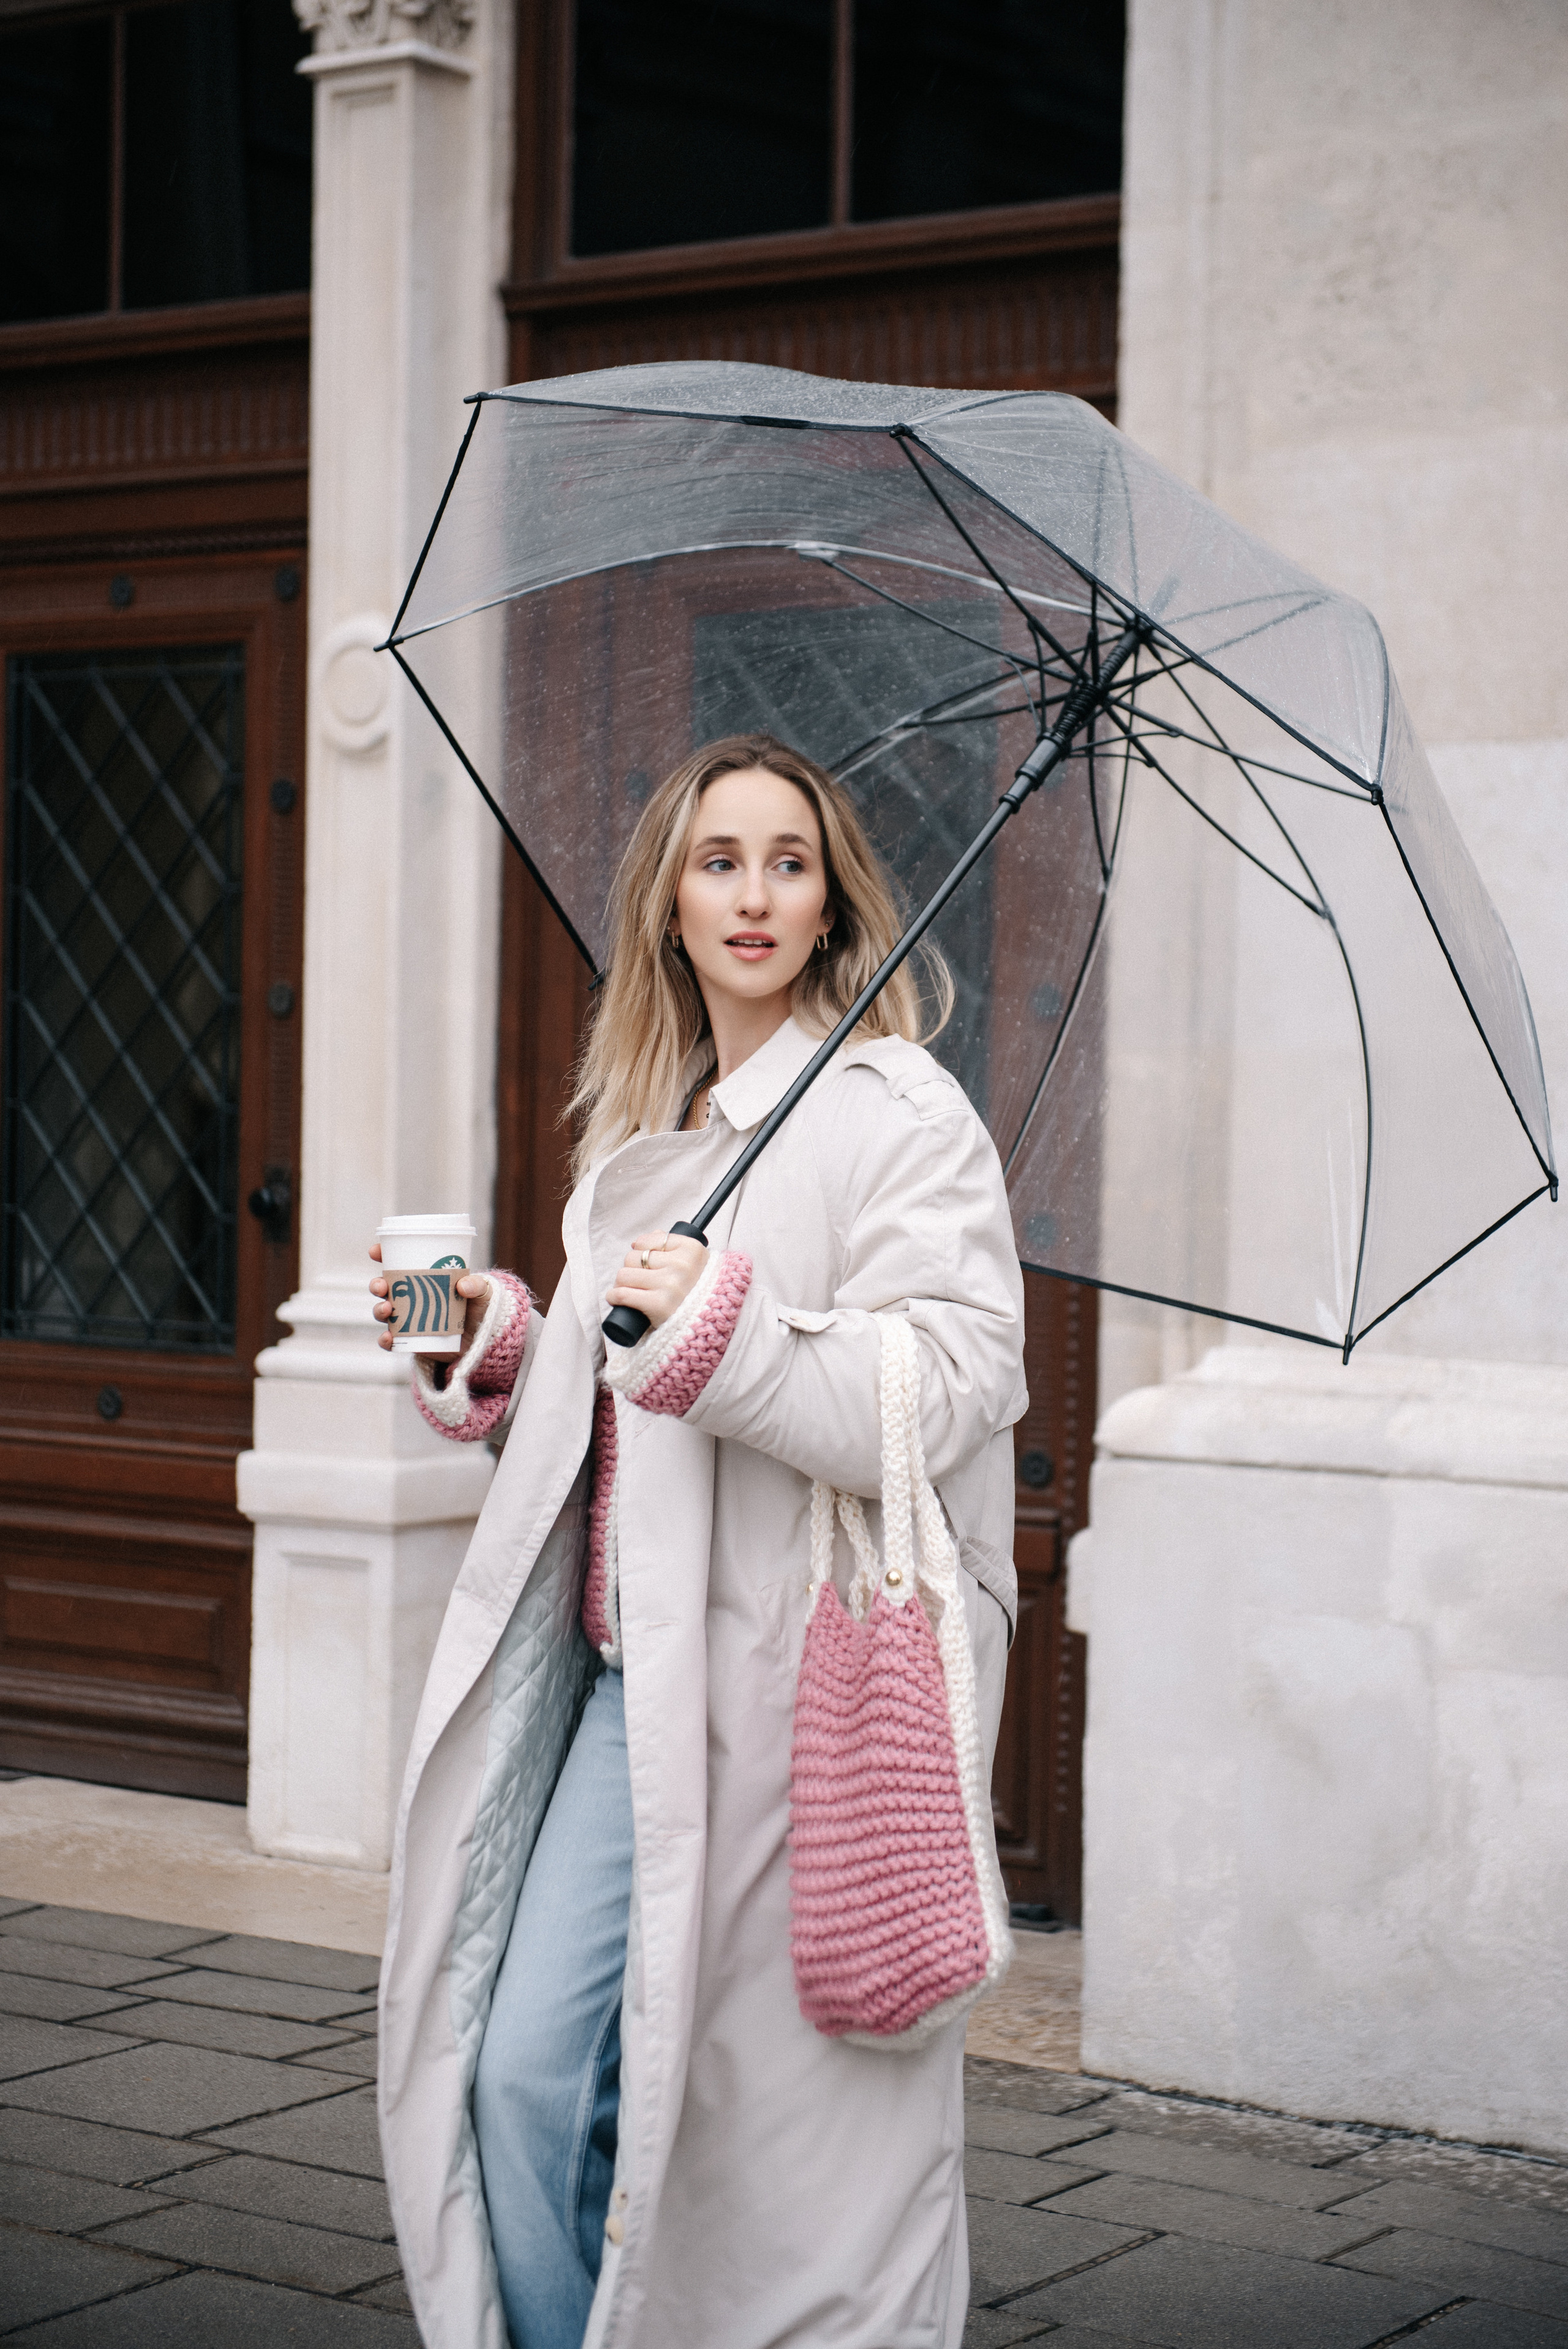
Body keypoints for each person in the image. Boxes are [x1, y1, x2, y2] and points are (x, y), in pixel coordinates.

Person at [371, 733, 1027, 2349]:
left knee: (768, 2156)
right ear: (669, 900)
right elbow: (624, 1408)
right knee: (522, 2066)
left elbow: (953, 1380)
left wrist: (723, 1332)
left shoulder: (896, 1114)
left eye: (789, 862)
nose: (754, 893)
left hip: (793, 1709)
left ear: (829, 904)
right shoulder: (647, 1134)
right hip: (624, 1689)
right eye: (719, 859)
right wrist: (503, 1346)